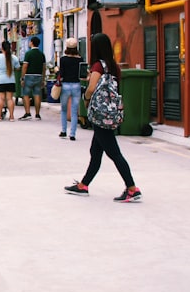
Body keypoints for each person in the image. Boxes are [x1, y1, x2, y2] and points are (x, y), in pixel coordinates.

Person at [64, 33, 142, 202]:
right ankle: (83, 185)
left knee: (114, 153)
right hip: (109, 113)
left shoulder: (99, 66)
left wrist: (86, 99)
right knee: (96, 151)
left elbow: (91, 88)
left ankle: (132, 188)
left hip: (100, 114)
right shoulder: (113, 66)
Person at [57, 37, 82, 140]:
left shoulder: (63, 59)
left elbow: (61, 73)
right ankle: (72, 134)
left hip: (66, 85)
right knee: (74, 111)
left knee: (63, 109)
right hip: (76, 84)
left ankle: (63, 131)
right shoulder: (80, 59)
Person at [0, 41, 20, 121]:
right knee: (9, 98)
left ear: (2, 48)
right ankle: (11, 116)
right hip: (10, 80)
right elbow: (18, 67)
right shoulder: (14, 57)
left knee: (0, 99)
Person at [19, 36, 46, 120]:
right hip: (38, 76)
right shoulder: (41, 54)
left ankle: (28, 113)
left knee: (26, 94)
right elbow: (44, 67)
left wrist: (22, 77)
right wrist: (43, 78)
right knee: (37, 94)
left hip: (29, 76)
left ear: (32, 43)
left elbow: (25, 66)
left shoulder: (28, 53)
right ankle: (37, 114)